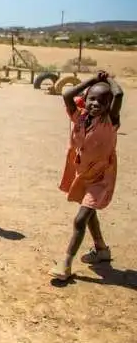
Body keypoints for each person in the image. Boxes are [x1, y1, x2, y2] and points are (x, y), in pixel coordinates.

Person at [50, 71, 122, 280]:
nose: (95, 104)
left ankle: (65, 264)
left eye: (102, 101)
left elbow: (119, 96)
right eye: (92, 99)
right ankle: (101, 250)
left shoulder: (110, 121)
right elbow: (66, 94)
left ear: (109, 105)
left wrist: (108, 79)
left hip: (102, 176)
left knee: (81, 219)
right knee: (90, 213)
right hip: (83, 173)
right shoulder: (79, 116)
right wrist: (92, 80)